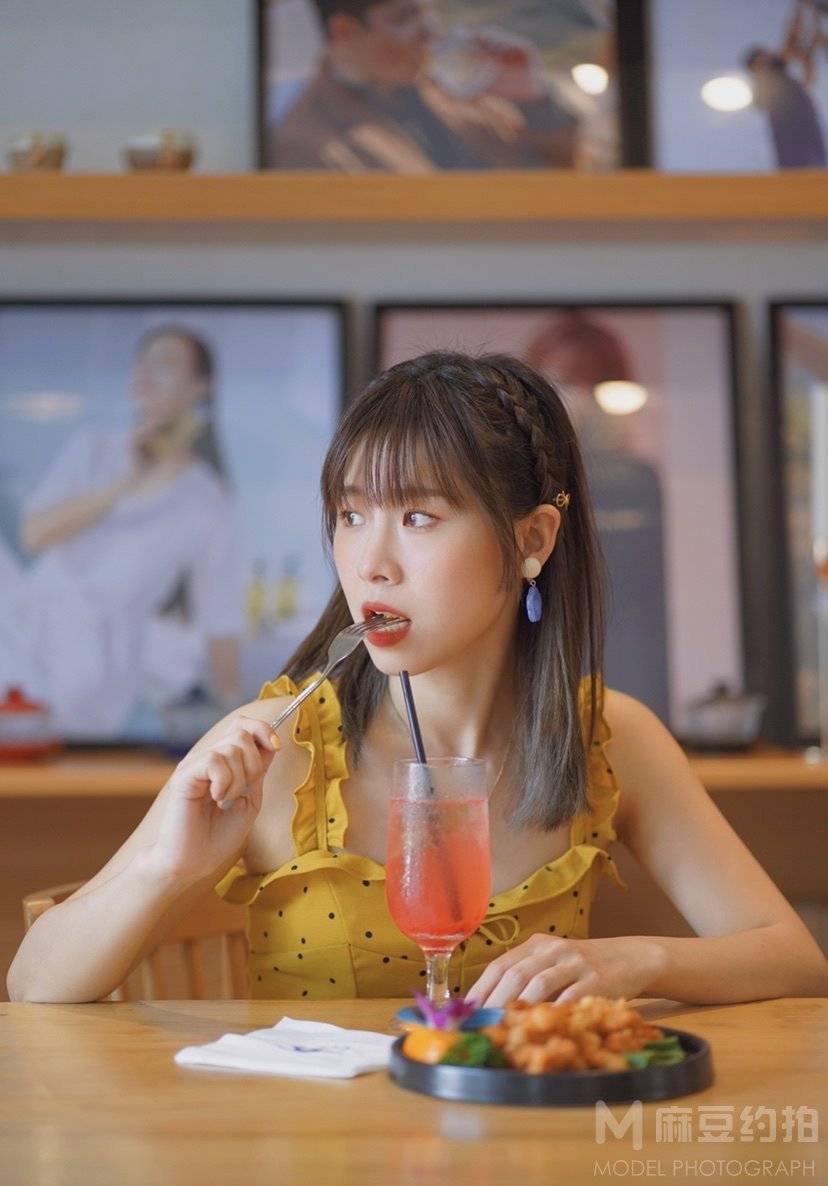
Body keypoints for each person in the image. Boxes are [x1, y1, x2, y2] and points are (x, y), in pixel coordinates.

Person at [8, 351, 826, 1005]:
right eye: (351, 515)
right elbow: (32, 983)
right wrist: (167, 868)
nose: (371, 562)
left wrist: (636, 961)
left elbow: (793, 958)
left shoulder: (608, 738)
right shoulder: (279, 749)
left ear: (533, 540)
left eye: (419, 517)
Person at [0, 326, 242, 738]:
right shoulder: (93, 447)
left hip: (96, 670)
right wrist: (126, 481)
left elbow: (219, 614)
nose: (146, 372)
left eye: (164, 363)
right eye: (142, 362)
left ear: (201, 387)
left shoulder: (208, 498)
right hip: (24, 633)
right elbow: (33, 535)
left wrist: (236, 718)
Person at [524, 312, 671, 722]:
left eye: (597, 383)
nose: (582, 398)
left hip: (629, 653)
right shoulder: (518, 488)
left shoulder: (637, 480)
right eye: (565, 383)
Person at [268, 0, 578, 171]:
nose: (431, 33)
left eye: (429, 13)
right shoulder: (305, 144)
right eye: (405, 18)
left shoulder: (455, 98)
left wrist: (532, 99)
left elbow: (555, 174)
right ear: (345, 31)